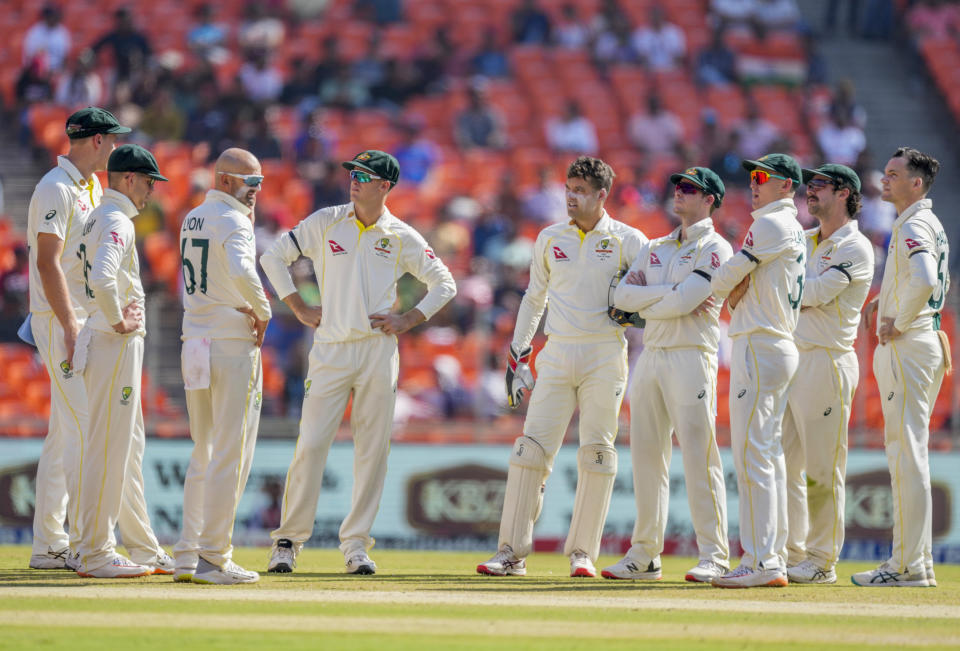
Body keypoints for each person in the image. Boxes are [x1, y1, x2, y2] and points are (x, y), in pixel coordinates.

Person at [260, 150, 456, 575]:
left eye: (365, 176)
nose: (354, 180)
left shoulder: (401, 235)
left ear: (385, 186)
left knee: (372, 451)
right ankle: (288, 543)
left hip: (377, 350)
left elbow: (445, 283)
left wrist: (408, 318)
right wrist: (296, 305)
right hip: (330, 349)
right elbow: (273, 256)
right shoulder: (326, 220)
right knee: (311, 445)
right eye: (353, 173)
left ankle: (355, 546)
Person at [476, 156, 646, 578]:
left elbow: (650, 299)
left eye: (581, 191)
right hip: (557, 351)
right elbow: (534, 299)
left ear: (602, 195)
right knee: (529, 450)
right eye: (569, 189)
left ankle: (582, 553)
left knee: (597, 454)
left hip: (606, 354)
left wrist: (635, 314)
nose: (571, 197)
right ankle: (511, 553)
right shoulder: (550, 238)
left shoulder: (629, 240)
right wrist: (518, 356)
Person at [26, 109, 171, 576]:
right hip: (63, 319)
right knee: (94, 432)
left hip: (85, 319)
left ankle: (52, 544)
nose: (113, 149)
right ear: (95, 140)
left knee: (66, 434)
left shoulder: (90, 189)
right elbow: (48, 262)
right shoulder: (56, 187)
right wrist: (70, 324)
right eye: (111, 140)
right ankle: (95, 546)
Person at [604, 167, 732, 583]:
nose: (679, 193)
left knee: (699, 454)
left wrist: (652, 300)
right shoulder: (657, 245)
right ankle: (645, 555)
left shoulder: (716, 248)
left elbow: (686, 302)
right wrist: (668, 295)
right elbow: (620, 296)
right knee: (645, 455)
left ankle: (714, 555)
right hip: (653, 353)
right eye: (678, 186)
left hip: (692, 355)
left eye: (690, 189)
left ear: (710, 198)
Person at [173, 148, 272, 585]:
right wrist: (264, 309)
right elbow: (241, 268)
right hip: (230, 342)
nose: (257, 192)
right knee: (231, 451)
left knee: (203, 449)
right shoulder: (235, 221)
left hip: (194, 339)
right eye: (251, 183)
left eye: (261, 183)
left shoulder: (193, 217)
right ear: (226, 180)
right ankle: (214, 557)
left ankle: (187, 554)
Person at [853, 148, 950, 588]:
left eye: (894, 175)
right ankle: (918, 562)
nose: (884, 181)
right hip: (923, 341)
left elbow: (927, 278)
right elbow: (927, 280)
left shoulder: (912, 223)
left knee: (905, 454)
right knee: (910, 453)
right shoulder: (929, 222)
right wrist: (886, 300)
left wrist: (900, 318)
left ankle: (907, 566)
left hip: (909, 345)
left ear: (916, 183)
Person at [709, 153, 806, 588]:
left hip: (761, 343)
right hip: (772, 342)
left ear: (786, 185)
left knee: (754, 455)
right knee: (767, 455)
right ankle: (772, 555)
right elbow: (733, 282)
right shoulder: (789, 226)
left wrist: (732, 288)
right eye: (752, 175)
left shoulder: (771, 223)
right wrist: (735, 287)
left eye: (763, 176)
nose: (754, 181)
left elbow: (720, 280)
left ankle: (761, 559)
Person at [72, 144, 169, 578]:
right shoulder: (116, 220)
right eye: (149, 182)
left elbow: (80, 275)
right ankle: (94, 550)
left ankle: (142, 547)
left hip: (103, 336)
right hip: (114, 341)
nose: (151, 192)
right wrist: (115, 319)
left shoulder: (97, 215)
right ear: (129, 179)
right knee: (110, 448)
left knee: (124, 450)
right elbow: (101, 277)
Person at [783, 164, 874, 584]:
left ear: (844, 193)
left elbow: (815, 293)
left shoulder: (856, 247)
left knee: (822, 468)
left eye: (818, 185)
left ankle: (822, 560)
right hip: (790, 359)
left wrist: (778, 283)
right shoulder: (802, 240)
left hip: (827, 360)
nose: (809, 191)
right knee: (783, 464)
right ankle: (791, 552)